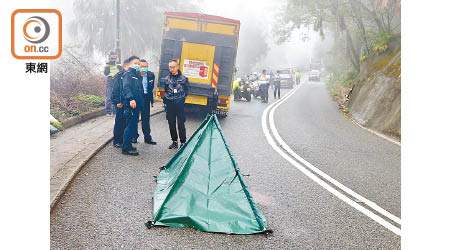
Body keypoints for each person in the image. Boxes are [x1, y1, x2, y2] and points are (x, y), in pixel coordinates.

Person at [162, 59, 190, 149]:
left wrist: (181, 99)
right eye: (170, 67)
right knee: (171, 123)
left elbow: (187, 91)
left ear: (177, 67)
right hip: (170, 105)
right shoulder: (166, 79)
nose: (172, 69)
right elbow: (165, 90)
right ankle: (174, 141)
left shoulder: (184, 79)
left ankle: (183, 142)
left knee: (181, 124)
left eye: (173, 67)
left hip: (180, 105)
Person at [121, 56, 144, 156]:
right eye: (135, 63)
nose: (138, 65)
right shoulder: (128, 74)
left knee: (133, 125)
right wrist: (131, 99)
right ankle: (126, 148)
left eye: (139, 64)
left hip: (136, 105)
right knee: (130, 126)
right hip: (131, 104)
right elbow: (126, 88)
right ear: (130, 64)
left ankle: (128, 144)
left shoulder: (137, 75)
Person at [136, 59, 157, 145]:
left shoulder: (151, 75)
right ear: (139, 67)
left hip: (146, 98)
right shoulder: (135, 75)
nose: (144, 68)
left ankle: (147, 137)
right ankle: (134, 136)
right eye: (142, 67)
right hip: (137, 98)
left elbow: (151, 87)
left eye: (146, 66)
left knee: (146, 118)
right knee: (135, 118)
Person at [111, 59, 129, 148]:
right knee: (119, 122)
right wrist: (118, 101)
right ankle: (117, 140)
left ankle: (123, 139)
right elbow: (115, 90)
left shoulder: (130, 75)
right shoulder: (119, 76)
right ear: (125, 65)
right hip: (120, 103)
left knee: (126, 122)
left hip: (127, 103)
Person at [104, 52, 119, 116]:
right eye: (112, 58)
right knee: (109, 97)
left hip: (116, 82)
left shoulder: (118, 65)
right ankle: (108, 111)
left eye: (115, 58)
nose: (114, 59)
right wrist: (108, 64)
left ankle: (115, 111)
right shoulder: (107, 65)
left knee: (116, 97)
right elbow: (106, 73)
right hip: (110, 82)